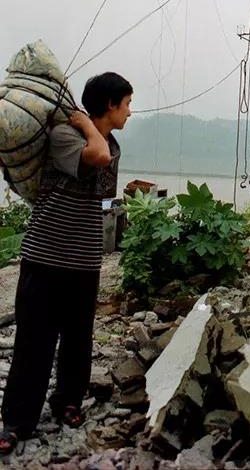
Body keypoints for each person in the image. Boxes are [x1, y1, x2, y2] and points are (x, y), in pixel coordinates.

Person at [0, 72, 133, 456]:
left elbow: (103, 172)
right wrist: (84, 125)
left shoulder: (110, 144)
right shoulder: (64, 137)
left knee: (78, 336)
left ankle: (68, 402)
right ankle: (17, 420)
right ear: (109, 105)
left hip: (84, 258)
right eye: (126, 103)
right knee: (34, 339)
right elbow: (97, 157)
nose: (130, 111)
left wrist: (90, 127)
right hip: (45, 255)